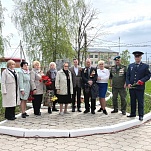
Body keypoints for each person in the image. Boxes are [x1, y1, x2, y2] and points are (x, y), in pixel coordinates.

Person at [126, 51, 151, 121]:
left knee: (140, 101)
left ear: (140, 57)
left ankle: (141, 115)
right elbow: (127, 75)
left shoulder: (145, 66)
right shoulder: (131, 66)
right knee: (132, 101)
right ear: (134, 57)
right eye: (136, 57)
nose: (137, 58)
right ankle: (133, 113)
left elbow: (148, 75)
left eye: (138, 57)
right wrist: (128, 83)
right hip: (132, 87)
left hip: (140, 87)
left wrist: (142, 80)